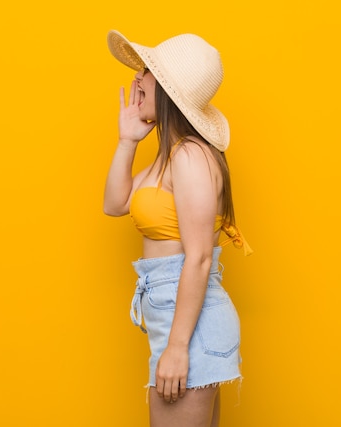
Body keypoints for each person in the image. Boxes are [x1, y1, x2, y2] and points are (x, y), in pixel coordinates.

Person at [103, 30, 252, 427]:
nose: (137, 78)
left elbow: (200, 256)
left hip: (190, 325)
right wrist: (127, 141)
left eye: (148, 71)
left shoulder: (190, 155)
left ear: (168, 92)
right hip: (175, 315)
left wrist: (178, 346)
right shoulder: (167, 157)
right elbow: (115, 205)